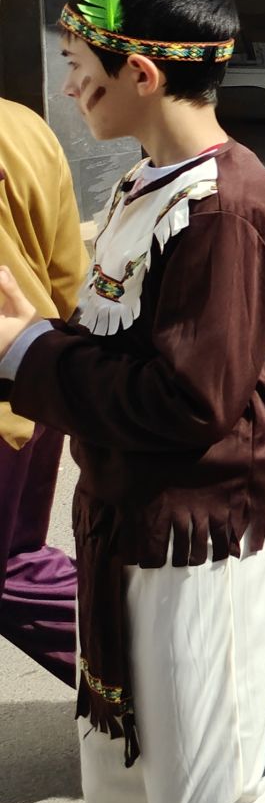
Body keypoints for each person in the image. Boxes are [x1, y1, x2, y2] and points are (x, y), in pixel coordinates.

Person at [0, 0, 265, 803]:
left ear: (143, 73)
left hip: (202, 539)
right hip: (128, 521)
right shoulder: (144, 183)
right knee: (121, 784)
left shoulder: (222, 210)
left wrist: (26, 349)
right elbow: (121, 342)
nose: (69, 89)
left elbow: (187, 398)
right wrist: (35, 338)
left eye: (79, 70)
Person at [0, 98, 86, 685]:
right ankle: (162, 673)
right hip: (35, 380)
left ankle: (160, 680)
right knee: (18, 561)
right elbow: (69, 278)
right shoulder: (24, 125)